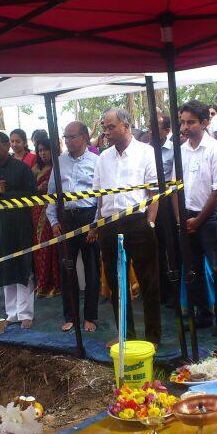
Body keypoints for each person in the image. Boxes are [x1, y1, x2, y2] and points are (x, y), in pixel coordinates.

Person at [94, 108, 161, 344]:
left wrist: (150, 222)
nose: (107, 132)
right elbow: (100, 195)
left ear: (126, 126)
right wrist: (98, 223)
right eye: (104, 127)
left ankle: (153, 338)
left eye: (111, 126)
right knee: (115, 282)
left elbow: (154, 192)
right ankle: (127, 336)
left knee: (148, 282)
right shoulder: (103, 157)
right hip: (109, 224)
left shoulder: (146, 152)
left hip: (138, 223)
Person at [178, 99, 217, 333]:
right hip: (186, 217)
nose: (184, 127)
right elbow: (175, 187)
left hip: (210, 217)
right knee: (193, 268)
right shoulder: (182, 150)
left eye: (190, 122)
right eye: (182, 122)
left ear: (205, 122)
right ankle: (203, 315)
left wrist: (198, 221)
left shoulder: (215, 149)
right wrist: (181, 217)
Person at [0, 132, 37, 327]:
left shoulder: (22, 168)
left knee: (23, 267)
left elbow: (32, 194)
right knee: (4, 268)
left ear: (7, 146)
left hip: (20, 227)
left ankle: (26, 314)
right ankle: (12, 314)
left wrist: (7, 191)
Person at [47, 121, 100, 332]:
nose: (68, 141)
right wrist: (54, 221)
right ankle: (70, 316)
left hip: (89, 217)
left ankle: (90, 317)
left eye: (72, 136)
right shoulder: (59, 162)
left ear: (85, 137)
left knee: (92, 270)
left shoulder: (97, 161)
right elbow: (52, 194)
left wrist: (96, 224)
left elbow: (101, 197)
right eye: (65, 137)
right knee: (67, 268)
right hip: (65, 219)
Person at [31, 138, 61, 298]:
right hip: (36, 211)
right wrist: (37, 188)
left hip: (52, 211)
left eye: (46, 150)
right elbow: (28, 189)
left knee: (51, 246)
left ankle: (54, 283)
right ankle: (42, 282)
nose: (43, 153)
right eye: (40, 150)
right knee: (39, 245)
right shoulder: (35, 169)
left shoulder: (59, 167)